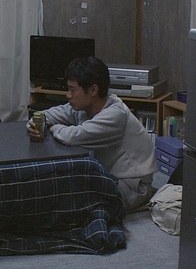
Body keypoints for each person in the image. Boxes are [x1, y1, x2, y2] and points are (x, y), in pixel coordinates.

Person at [27, 56, 156, 209]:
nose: (68, 95)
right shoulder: (83, 107)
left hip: (131, 186)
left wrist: (51, 127)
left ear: (93, 90)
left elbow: (73, 137)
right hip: (108, 174)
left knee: (67, 193)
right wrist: (35, 124)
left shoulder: (115, 114)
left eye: (72, 90)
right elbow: (45, 115)